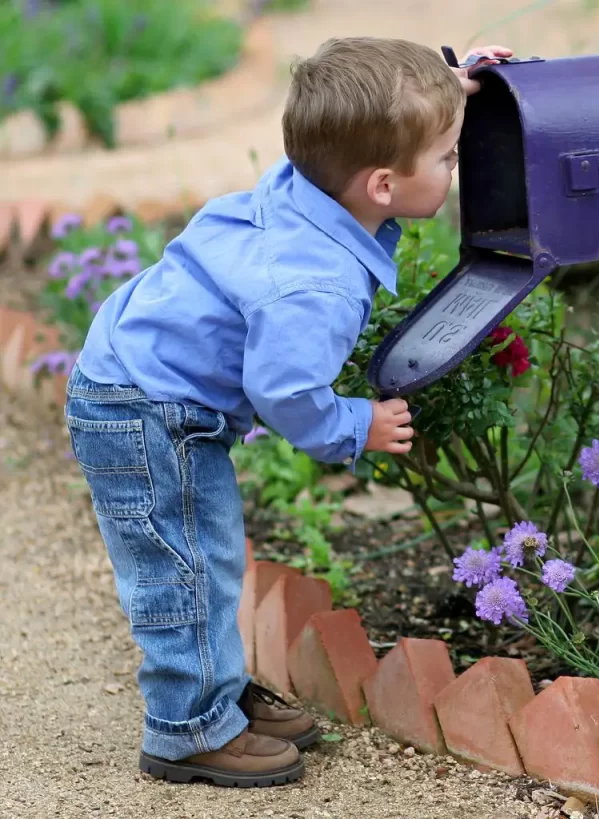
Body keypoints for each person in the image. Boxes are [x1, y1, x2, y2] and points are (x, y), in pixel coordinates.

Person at [63, 37, 513, 787]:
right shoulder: (314, 285)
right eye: (447, 156)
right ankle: (188, 727)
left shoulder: (314, 182)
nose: (454, 166)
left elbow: (367, 129)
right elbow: (286, 391)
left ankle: (214, 687)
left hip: (144, 380)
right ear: (379, 184)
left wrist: (447, 84)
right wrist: (355, 426)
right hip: (144, 408)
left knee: (208, 553)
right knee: (183, 568)